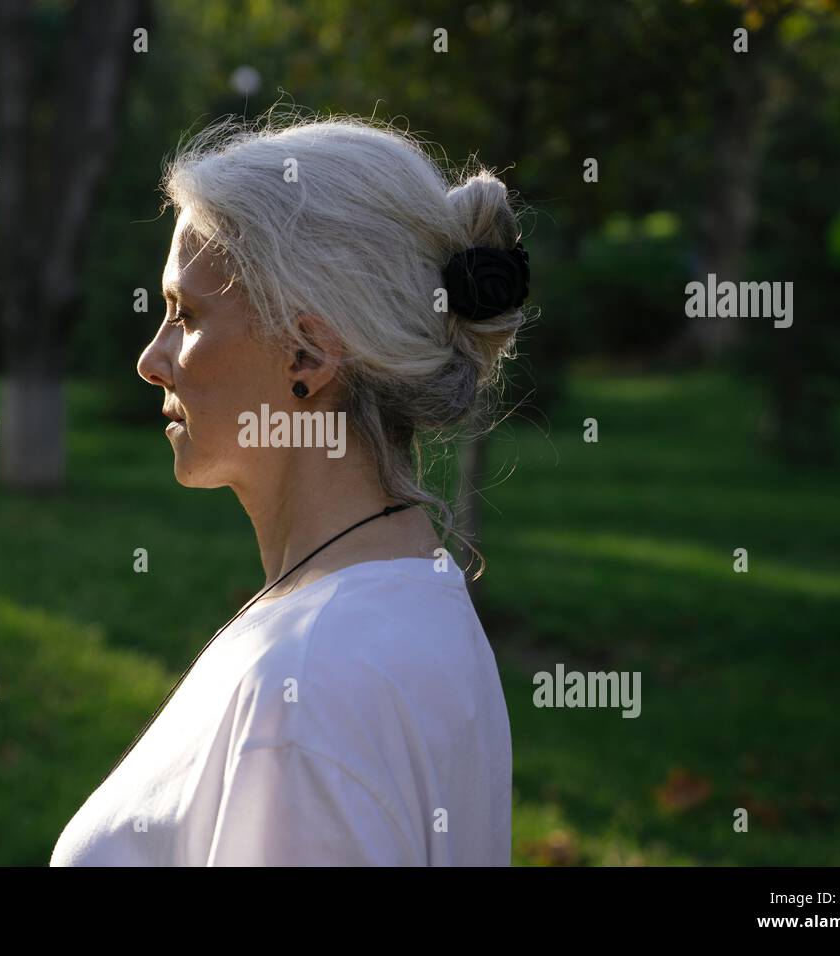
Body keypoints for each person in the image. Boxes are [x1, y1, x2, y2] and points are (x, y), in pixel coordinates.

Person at [51, 110, 528, 866]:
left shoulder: (309, 687)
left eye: (185, 314)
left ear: (306, 355)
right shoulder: (408, 603)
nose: (152, 357)